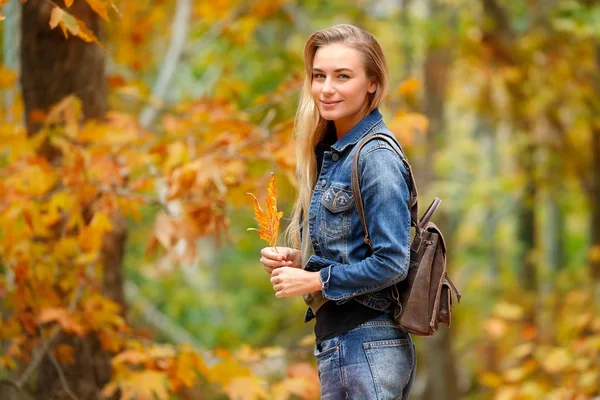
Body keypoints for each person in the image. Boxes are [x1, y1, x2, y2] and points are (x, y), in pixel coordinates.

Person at [260, 24, 416, 399]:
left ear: (372, 84)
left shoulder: (374, 157)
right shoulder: (337, 153)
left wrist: (315, 281)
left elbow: (394, 261)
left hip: (366, 343)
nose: (326, 89)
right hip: (348, 344)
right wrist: (303, 261)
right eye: (319, 76)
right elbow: (353, 249)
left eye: (342, 76)